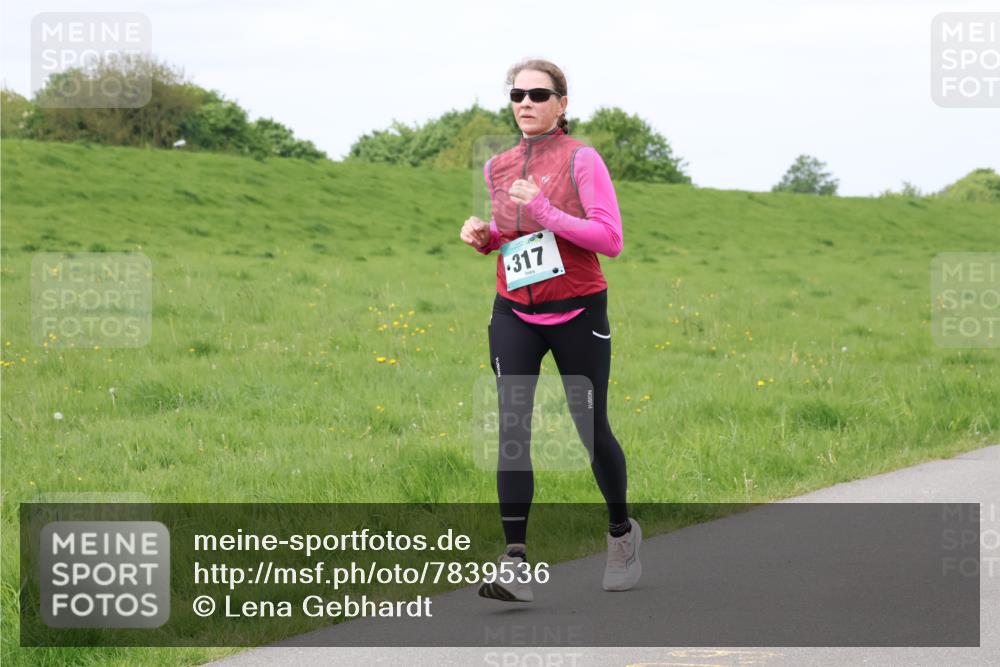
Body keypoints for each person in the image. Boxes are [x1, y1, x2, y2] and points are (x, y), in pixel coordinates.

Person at [460, 58, 641, 602]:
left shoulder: (583, 160)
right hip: (514, 309)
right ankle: (515, 563)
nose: (526, 103)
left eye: (539, 94)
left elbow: (608, 239)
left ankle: (620, 532)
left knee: (590, 430)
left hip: (578, 311)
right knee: (511, 430)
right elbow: (514, 235)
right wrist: (487, 237)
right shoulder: (499, 165)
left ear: (562, 103)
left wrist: (543, 209)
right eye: (518, 94)